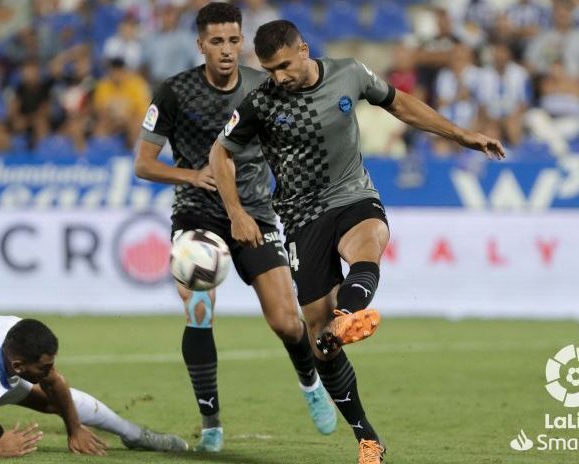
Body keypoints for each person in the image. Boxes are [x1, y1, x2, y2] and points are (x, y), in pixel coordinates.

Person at [210, 20, 505, 463]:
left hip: (352, 194)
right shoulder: (261, 103)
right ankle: (367, 435)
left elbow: (400, 103)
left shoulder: (350, 73)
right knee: (319, 342)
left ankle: (347, 314)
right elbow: (221, 152)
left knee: (368, 245)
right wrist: (235, 212)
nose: (280, 77)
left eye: (286, 65)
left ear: (304, 50)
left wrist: (461, 135)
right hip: (300, 217)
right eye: (271, 69)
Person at [134, 3, 336, 453]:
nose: (226, 50)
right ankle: (210, 422)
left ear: (241, 41)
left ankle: (310, 384)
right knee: (199, 310)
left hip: (255, 213)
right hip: (196, 216)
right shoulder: (174, 92)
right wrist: (191, 175)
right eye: (216, 41)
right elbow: (143, 164)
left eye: (233, 40)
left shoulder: (264, 86)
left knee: (286, 322)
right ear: (200, 45)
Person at [0, 315, 188, 459]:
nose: (50, 371)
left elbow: (55, 383)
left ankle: (135, 434)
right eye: (43, 367)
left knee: (52, 398)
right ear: (18, 366)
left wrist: (74, 428)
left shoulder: (15, 333)